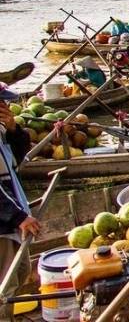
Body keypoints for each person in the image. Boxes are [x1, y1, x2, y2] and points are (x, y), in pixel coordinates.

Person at [0, 83, 39, 320]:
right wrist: (19, 217)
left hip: (11, 218)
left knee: (22, 271)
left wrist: (14, 129)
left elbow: (17, 159)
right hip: (3, 225)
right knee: (5, 287)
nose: (5, 107)